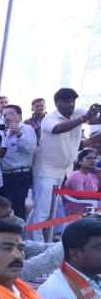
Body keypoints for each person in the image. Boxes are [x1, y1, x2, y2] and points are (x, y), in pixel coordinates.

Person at [31, 88, 100, 231]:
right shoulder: (49, 119)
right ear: (57, 103)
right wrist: (83, 119)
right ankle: (35, 243)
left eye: (73, 101)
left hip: (64, 170)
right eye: (66, 101)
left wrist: (93, 114)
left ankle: (41, 237)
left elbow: (94, 120)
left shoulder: (78, 113)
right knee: (42, 210)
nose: (71, 104)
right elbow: (58, 129)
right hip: (46, 170)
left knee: (52, 209)